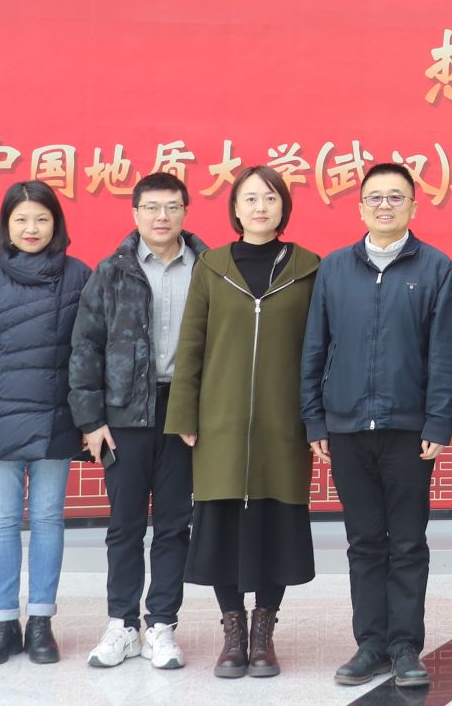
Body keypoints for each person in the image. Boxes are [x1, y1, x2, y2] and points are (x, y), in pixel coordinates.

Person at [302, 162, 452, 691]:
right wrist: (315, 420)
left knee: (409, 541)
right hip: (347, 427)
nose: (385, 206)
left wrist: (438, 421)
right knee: (364, 541)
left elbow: (447, 353)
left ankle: (405, 646)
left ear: (414, 206)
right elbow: (314, 348)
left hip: (408, 429)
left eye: (396, 197)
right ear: (360, 208)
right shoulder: (334, 268)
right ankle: (371, 643)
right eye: (375, 197)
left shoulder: (435, 267)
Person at [166, 166, 321, 679]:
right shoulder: (212, 266)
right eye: (250, 198)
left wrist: (315, 419)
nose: (260, 207)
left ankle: (263, 634)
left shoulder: (307, 267)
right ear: (235, 208)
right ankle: (232, 633)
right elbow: (191, 343)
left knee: (276, 527)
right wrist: (184, 412)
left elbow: (319, 349)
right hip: (221, 424)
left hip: (283, 424)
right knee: (222, 527)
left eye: (270, 198)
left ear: (283, 207)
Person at [0, 180, 93, 667]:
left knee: (47, 520)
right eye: (21, 219)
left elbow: (89, 353)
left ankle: (42, 623)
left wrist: (89, 417)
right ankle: (3, 623)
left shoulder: (79, 276)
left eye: (41, 219)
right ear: (6, 226)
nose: (32, 228)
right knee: (4, 523)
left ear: (56, 224)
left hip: (56, 420)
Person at [69, 171, 210, 671]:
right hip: (124, 415)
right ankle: (122, 625)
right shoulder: (111, 272)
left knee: (174, 524)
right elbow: (85, 347)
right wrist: (91, 420)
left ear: (185, 211)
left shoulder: (210, 268)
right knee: (125, 525)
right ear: (135, 213)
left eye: (171, 207)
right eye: (151, 207)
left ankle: (163, 625)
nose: (161, 216)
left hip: (184, 413)